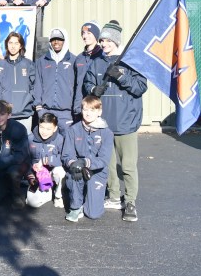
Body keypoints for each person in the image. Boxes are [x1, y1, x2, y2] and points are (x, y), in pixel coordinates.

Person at [84, 21, 147, 222]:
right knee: (108, 165)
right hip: (104, 122)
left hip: (126, 122)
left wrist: (121, 76)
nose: (104, 44)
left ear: (116, 41)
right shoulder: (96, 62)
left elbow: (140, 88)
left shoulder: (131, 61)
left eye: (108, 40)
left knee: (127, 165)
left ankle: (130, 201)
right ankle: (113, 195)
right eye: (102, 40)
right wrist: (94, 90)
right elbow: (88, 83)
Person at [62, 95, 113, 222]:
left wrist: (87, 162)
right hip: (78, 168)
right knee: (74, 173)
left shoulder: (107, 133)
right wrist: (73, 163)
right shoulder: (73, 130)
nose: (88, 113)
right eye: (85, 110)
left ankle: (95, 194)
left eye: (92, 110)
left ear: (99, 112)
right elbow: (66, 154)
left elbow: (104, 159)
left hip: (97, 171)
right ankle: (76, 206)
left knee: (93, 214)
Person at [0, 100, 30, 208]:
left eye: (2, 114)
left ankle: (17, 195)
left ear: (9, 115)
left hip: (17, 164)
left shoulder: (19, 129)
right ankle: (5, 186)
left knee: (13, 173)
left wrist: (3, 163)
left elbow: (21, 155)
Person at [33, 28, 77, 136]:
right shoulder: (42, 61)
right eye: (53, 39)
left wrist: (75, 111)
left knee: (67, 145)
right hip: (46, 111)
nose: (56, 42)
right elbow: (37, 85)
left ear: (65, 40)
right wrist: (39, 108)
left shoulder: (74, 61)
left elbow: (77, 87)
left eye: (59, 39)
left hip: (67, 114)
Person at [25, 113, 65, 209]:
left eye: (48, 129)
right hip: (37, 175)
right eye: (42, 127)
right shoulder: (30, 139)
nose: (44, 132)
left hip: (51, 174)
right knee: (32, 203)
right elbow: (25, 159)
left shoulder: (60, 140)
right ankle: (46, 192)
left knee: (60, 172)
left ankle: (58, 195)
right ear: (38, 125)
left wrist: (45, 161)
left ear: (55, 128)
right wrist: (30, 175)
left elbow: (64, 158)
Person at [3, 32, 36, 133]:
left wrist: (28, 100)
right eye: (10, 43)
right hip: (5, 115)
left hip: (24, 114)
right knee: (6, 146)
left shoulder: (28, 64)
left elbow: (35, 86)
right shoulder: (1, 65)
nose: (13, 46)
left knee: (24, 145)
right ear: (6, 45)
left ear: (21, 45)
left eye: (16, 43)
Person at [72, 21, 102, 118]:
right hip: (80, 106)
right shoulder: (79, 58)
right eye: (83, 33)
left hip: (96, 107)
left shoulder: (102, 57)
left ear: (96, 35)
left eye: (89, 33)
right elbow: (76, 84)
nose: (85, 36)